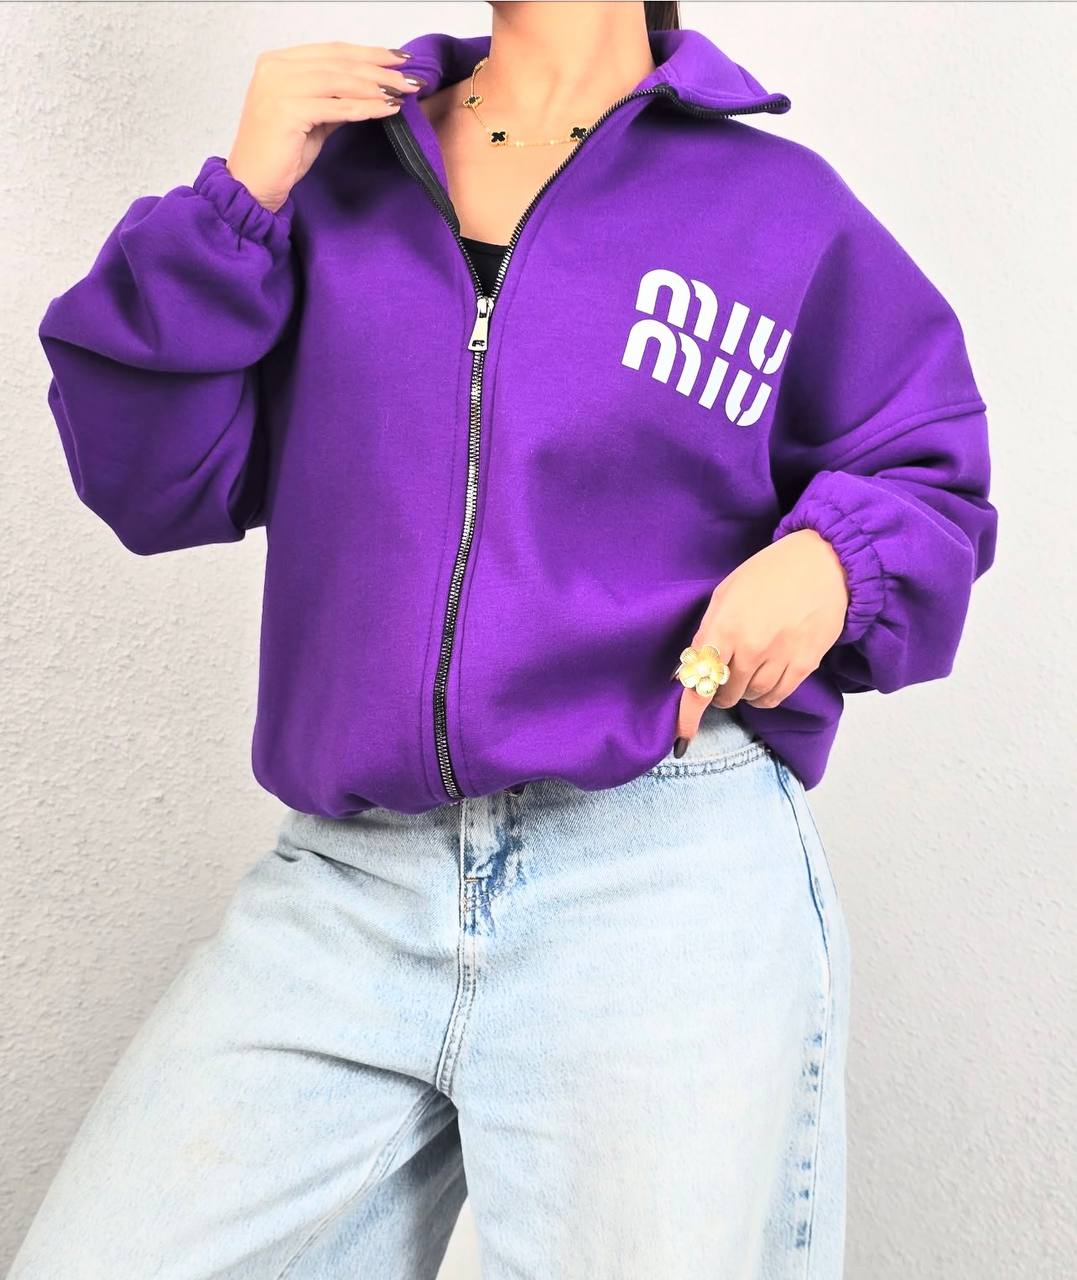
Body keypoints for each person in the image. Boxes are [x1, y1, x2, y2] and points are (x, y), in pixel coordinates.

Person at [9, 2, 997, 1277]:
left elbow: (930, 472)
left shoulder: (777, 209)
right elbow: (153, 483)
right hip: (352, 879)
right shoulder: (337, 170)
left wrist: (833, 562)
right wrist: (238, 202)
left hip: (661, 878)